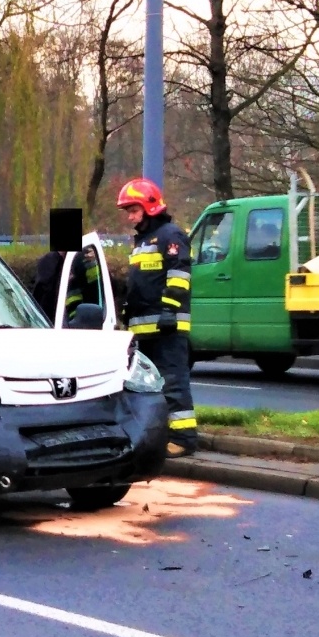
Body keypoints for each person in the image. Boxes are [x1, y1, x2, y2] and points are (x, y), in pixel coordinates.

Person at [118, 177, 198, 455]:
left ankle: (184, 439)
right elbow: (142, 283)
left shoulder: (170, 235)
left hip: (167, 326)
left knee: (173, 381)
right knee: (152, 385)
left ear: (150, 207)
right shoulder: (142, 242)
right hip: (145, 328)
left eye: (133, 210)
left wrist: (169, 311)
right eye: (128, 211)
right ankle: (160, 434)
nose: (130, 216)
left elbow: (178, 277)